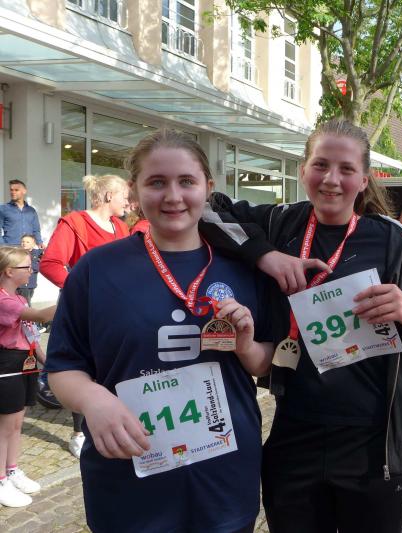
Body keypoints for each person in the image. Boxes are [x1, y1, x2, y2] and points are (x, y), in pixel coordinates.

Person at [199, 119, 402, 533]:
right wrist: (266, 255)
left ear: (364, 180)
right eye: (320, 165)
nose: (331, 179)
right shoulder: (280, 224)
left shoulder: (394, 239)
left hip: (375, 447)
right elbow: (206, 208)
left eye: (346, 169)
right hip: (295, 437)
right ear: (303, 170)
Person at [45, 129, 274, 532]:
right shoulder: (96, 269)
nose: (173, 196)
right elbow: (63, 368)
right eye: (156, 182)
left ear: (208, 188)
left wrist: (245, 346)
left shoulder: (245, 268)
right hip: (129, 481)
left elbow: (265, 363)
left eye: (186, 181)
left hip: (223, 477)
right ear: (134, 191)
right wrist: (92, 400)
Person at [39, 174, 130, 458]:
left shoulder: (121, 227)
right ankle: (79, 434)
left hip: (118, 309)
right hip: (87, 311)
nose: (128, 202)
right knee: (83, 367)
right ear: (108, 196)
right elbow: (51, 263)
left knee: (113, 364)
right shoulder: (75, 222)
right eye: (124, 195)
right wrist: (81, 289)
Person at [0, 246, 56, 508]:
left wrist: (47, 362)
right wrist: (77, 293)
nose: (31, 271)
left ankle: (12, 470)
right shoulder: (4, 301)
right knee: (5, 426)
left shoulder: (21, 299)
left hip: (27, 361)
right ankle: (1, 479)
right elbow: (43, 316)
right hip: (8, 364)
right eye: (26, 267)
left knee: (17, 424)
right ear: (9, 271)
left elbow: (31, 334)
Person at [0, 180, 43, 246]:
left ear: (24, 191)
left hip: (28, 248)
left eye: (16, 190)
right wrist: (2, 245)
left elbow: (36, 230)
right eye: (11, 190)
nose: (13, 192)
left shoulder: (31, 210)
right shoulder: (3, 209)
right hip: (10, 247)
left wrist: (39, 242)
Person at [17, 235, 42, 305]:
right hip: (20, 285)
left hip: (31, 283)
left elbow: (40, 267)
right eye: (23, 242)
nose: (24, 243)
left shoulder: (38, 254)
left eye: (27, 242)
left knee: (27, 301)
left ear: (33, 244)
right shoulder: (17, 253)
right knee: (25, 304)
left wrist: (28, 266)